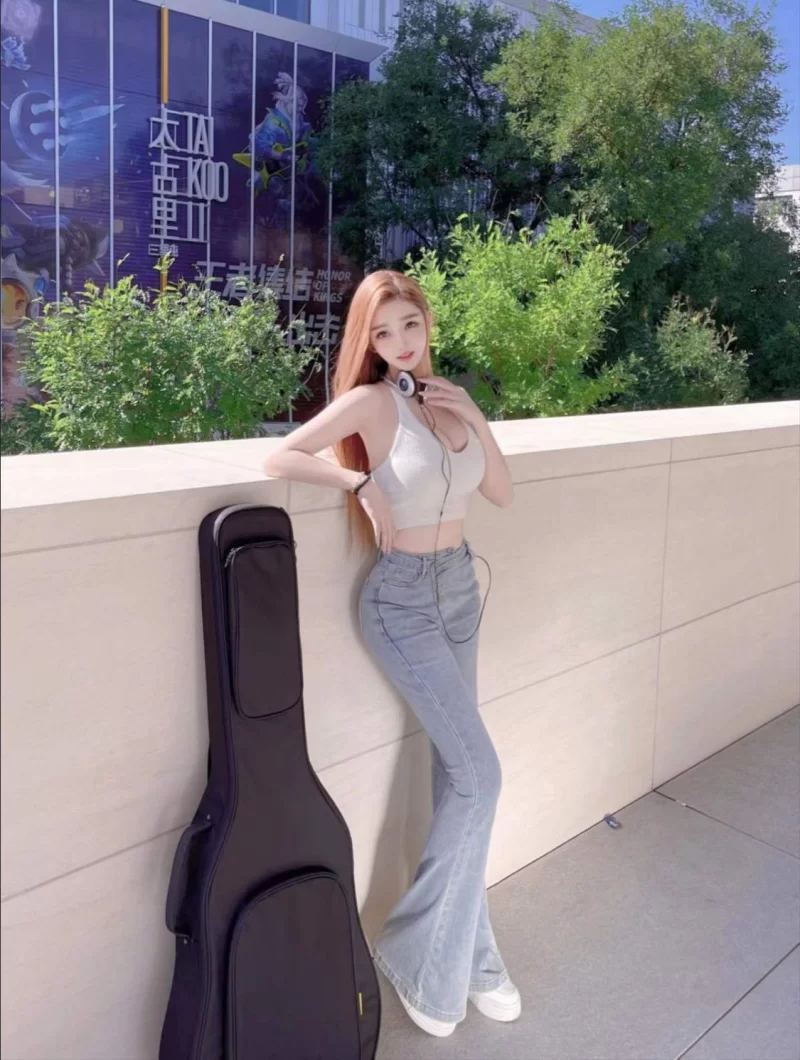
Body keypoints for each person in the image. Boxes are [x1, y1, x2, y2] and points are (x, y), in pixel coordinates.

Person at [263, 270, 520, 1037]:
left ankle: (475, 958)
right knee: (482, 776)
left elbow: (501, 491)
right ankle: (418, 956)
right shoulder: (374, 403)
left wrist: (472, 411)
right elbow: (282, 456)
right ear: (368, 342)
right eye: (382, 333)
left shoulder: (445, 399)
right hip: (402, 601)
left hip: (460, 591)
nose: (400, 343)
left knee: (457, 781)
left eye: (409, 325)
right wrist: (358, 482)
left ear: (427, 322)